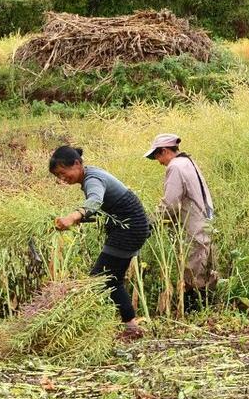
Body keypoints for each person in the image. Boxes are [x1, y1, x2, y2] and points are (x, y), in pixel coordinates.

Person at [50, 146, 151, 328]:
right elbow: (106, 208)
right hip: (130, 226)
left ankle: (118, 326)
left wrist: (73, 217)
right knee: (109, 278)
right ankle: (131, 326)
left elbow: (95, 201)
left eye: (63, 173)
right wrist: (79, 219)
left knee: (101, 277)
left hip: (129, 228)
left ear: (77, 164)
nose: (62, 179)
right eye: (58, 176)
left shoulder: (93, 179)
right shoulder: (91, 175)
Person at [144, 133, 216, 311]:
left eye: (157, 156)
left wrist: (150, 222)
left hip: (194, 227)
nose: (158, 162)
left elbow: (170, 204)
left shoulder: (175, 167)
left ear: (164, 151)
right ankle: (208, 311)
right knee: (207, 269)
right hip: (205, 222)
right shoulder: (187, 161)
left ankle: (194, 313)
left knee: (194, 272)